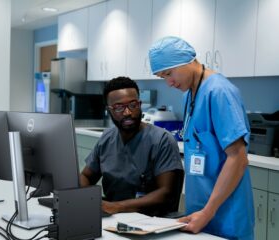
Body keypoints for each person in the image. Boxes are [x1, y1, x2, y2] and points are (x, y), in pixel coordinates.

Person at [149, 36, 254, 239]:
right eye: (163, 77)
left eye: (169, 73)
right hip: (199, 211)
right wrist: (202, 213)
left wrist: (208, 212)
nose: (169, 83)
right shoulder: (189, 94)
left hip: (225, 212)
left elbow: (238, 158)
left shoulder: (220, 92)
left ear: (188, 60)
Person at [80, 76, 184, 216]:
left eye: (133, 105)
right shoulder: (107, 138)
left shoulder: (161, 140)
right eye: (118, 108)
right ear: (109, 110)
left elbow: (166, 193)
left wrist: (116, 207)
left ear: (140, 104)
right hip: (113, 218)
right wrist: (87, 200)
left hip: (151, 219)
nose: (128, 112)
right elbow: (86, 176)